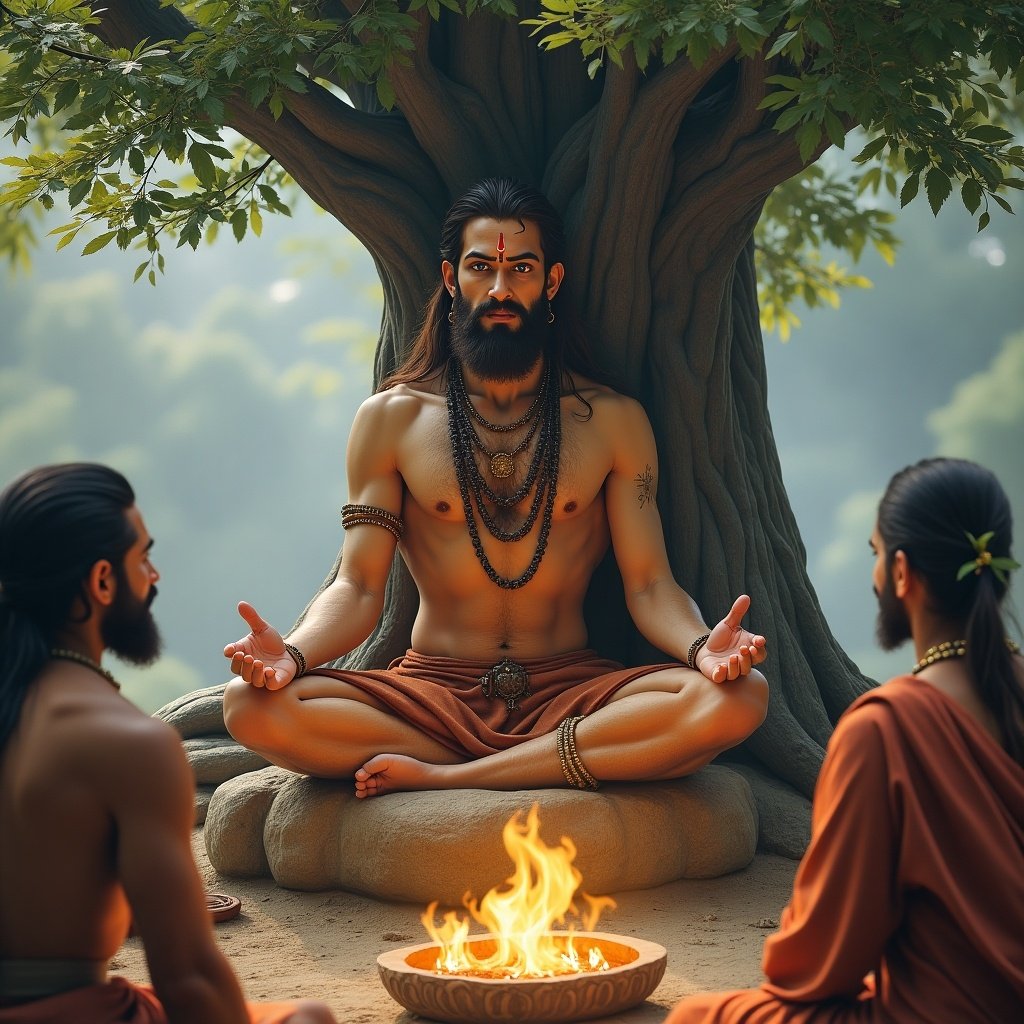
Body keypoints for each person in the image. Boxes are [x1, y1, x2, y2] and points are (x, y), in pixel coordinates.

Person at [223, 177, 769, 799]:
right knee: (250, 706)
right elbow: (359, 585)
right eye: (481, 267)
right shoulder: (391, 419)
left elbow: (648, 583)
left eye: (522, 269)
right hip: (429, 694)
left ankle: (453, 776)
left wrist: (701, 647)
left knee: (739, 695)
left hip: (569, 690)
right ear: (452, 279)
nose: (501, 289)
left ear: (552, 281)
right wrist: (289, 657)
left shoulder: (613, 419)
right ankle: (540, 765)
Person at [667, 457, 1024, 1023]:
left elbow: (816, 964)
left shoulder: (887, 727)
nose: (877, 575)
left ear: (902, 572)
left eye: (876, 554)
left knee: (696, 1017)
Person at [0, 464, 336, 1023]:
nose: (153, 576)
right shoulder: (129, 743)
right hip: (69, 1007)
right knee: (308, 1019)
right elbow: (190, 981)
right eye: (143, 559)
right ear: (103, 581)